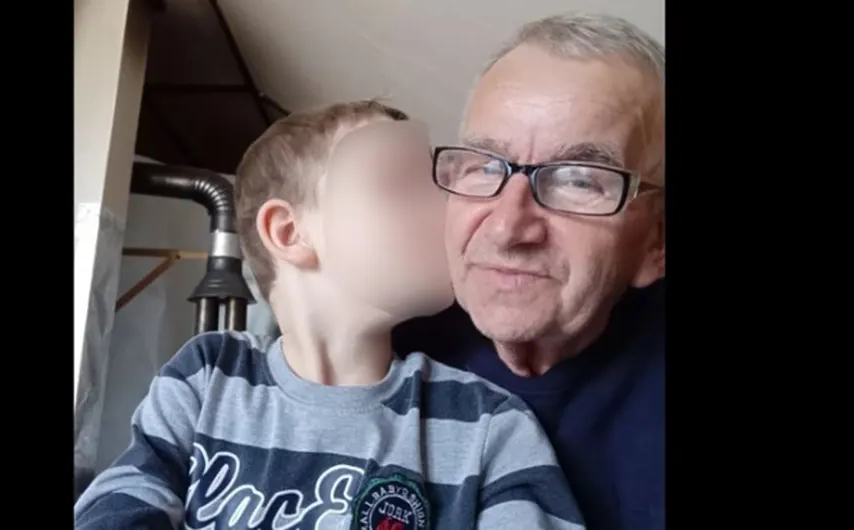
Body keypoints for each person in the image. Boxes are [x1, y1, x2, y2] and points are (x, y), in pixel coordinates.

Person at [74, 100, 586, 530]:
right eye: (398, 183)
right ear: (290, 233)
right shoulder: (209, 375)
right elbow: (123, 499)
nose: (446, 211)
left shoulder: (489, 423)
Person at [394, 13, 665, 530]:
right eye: (484, 165)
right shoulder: (386, 332)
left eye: (580, 180)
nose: (507, 228)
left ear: (657, 240)